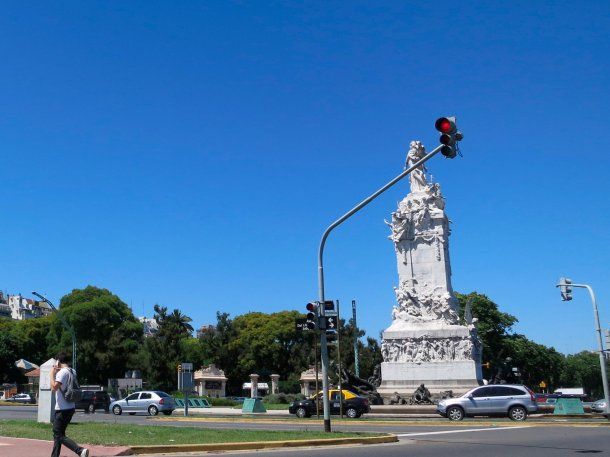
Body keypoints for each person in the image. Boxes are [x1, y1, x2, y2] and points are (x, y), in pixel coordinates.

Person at [50, 352, 89, 457]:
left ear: (58, 361)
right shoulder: (73, 371)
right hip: (71, 407)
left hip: (62, 409)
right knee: (58, 434)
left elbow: (54, 388)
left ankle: (80, 450)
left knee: (58, 434)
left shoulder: (61, 373)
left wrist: (51, 374)